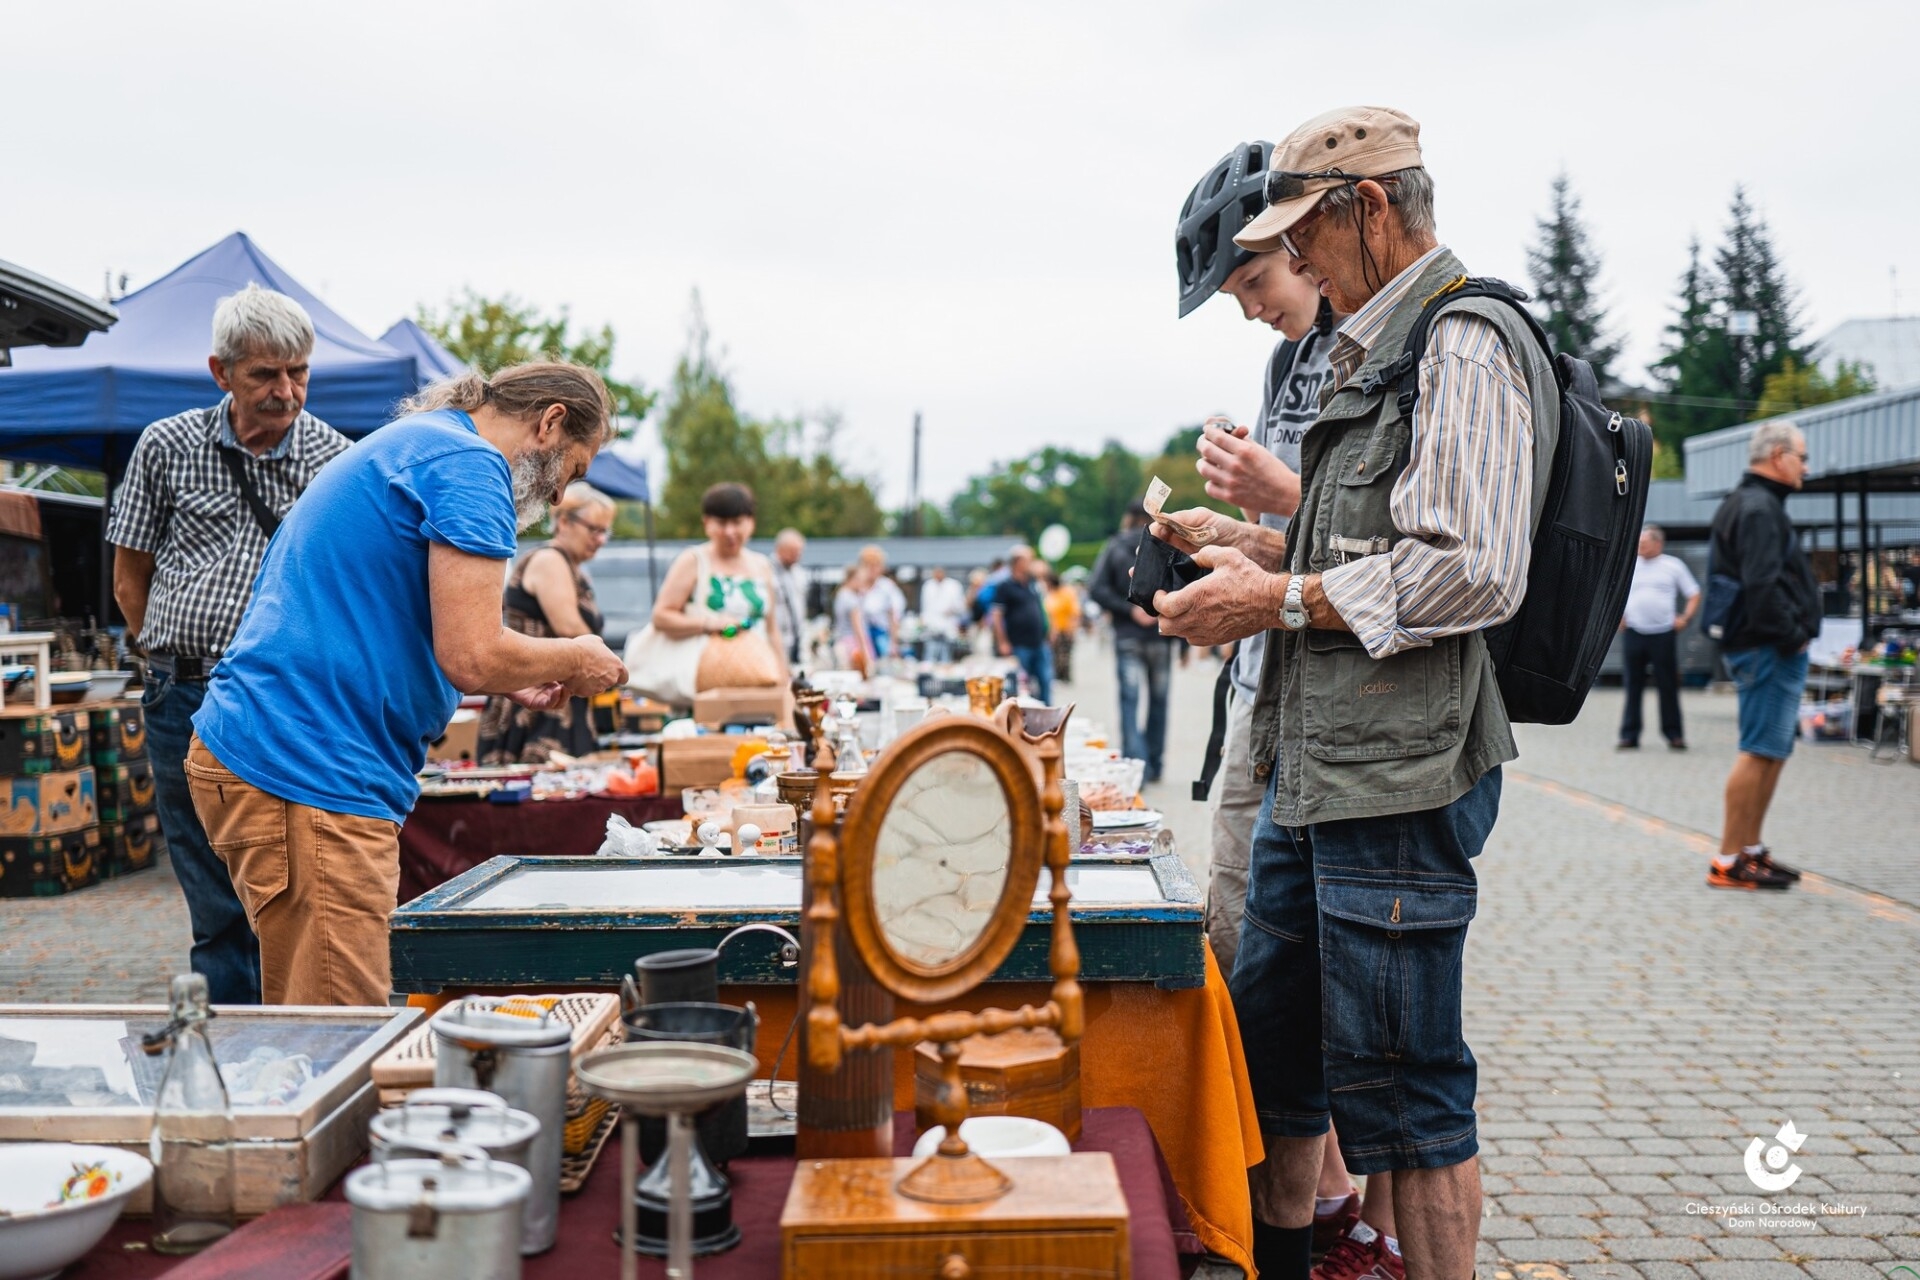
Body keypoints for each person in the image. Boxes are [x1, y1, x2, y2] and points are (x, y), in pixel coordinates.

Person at [1151, 106, 1555, 1280]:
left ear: (1366, 211)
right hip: (1312, 767)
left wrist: (1270, 603)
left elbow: (1469, 568)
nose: (1300, 269)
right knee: (1282, 1062)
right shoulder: (1365, 349)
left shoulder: (1462, 339)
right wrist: (1248, 546)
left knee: (1409, 1095)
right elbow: (1361, 550)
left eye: (1302, 240)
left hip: (1398, 775)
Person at [186, 362, 627, 1006]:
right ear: (550, 420)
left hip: (283, 755)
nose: (561, 496)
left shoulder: (429, 445)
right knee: (341, 1033)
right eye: (574, 470)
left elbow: (423, 627)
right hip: (311, 770)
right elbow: (473, 654)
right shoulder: (472, 468)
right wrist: (575, 656)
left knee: (313, 1013)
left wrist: (519, 673)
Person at [1176, 138, 1388, 1272]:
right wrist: (1225, 535)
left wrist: (1278, 496)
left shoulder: (1379, 348)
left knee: (1302, 977)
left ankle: (1320, 1220)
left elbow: (1389, 533)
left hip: (1338, 709)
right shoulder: (1285, 369)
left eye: (1253, 281)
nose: (1250, 308)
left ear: (1302, 242)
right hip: (1267, 689)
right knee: (1258, 960)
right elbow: (1296, 542)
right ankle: (1318, 1205)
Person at [107, 284, 350, 1006]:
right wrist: (164, 661)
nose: (286, 390)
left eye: (298, 371)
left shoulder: (336, 460)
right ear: (222, 372)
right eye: (265, 375)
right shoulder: (166, 444)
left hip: (288, 696)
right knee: (210, 886)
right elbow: (130, 575)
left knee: (287, 869)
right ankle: (239, 1053)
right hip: (183, 690)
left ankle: (300, 1031)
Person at [1708, 421, 1819, 890]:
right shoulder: (1758, 508)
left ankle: (1749, 850)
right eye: (1802, 457)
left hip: (1765, 645)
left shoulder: (1754, 503)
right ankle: (1729, 859)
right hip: (1767, 647)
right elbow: (1762, 583)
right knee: (1757, 751)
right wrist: (1793, 634)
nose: (1806, 468)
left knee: (1770, 752)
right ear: (1778, 455)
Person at [476, 483, 617, 763]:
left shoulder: (576, 571)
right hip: (534, 704)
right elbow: (570, 628)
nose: (600, 539)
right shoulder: (549, 560)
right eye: (594, 529)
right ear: (564, 522)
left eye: (605, 532)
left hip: (554, 700)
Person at [650, 483, 792, 688]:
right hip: (707, 681)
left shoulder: (762, 565)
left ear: (751, 522)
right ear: (706, 523)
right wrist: (708, 624)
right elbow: (661, 616)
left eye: (737, 522)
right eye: (722, 523)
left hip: (759, 676)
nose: (730, 531)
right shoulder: (693, 561)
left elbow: (772, 631)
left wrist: (783, 677)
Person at [1088, 505, 1176, 783]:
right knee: (1159, 702)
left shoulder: (1114, 547)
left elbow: (1096, 589)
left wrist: (1128, 610)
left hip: (1127, 636)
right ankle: (1155, 764)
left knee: (1130, 701)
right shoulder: (1166, 546)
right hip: (1161, 634)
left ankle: (1136, 765)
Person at [1616, 524, 1700, 751]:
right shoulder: (1629, 565)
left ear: (1658, 544)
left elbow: (1694, 593)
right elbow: (1615, 592)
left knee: (1668, 685)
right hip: (1634, 632)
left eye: (1644, 544)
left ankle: (1674, 734)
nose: (1639, 547)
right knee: (1633, 685)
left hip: (1663, 634)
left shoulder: (1673, 566)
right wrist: (1618, 618)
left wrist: (1685, 618)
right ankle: (1629, 735)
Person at [989, 544, 1053, 703]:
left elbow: (1042, 608)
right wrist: (1003, 642)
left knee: (1045, 681)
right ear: (1018, 562)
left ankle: (1046, 713)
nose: (1032, 562)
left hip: (1038, 641)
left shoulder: (1032, 583)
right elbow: (996, 616)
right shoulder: (1005, 586)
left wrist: (1049, 629)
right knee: (1023, 684)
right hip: (1019, 644)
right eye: (1029, 559)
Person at [770, 528, 810, 670]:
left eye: (799, 551)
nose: (797, 555)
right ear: (780, 549)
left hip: (796, 640)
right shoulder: (766, 570)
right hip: (775, 640)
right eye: (793, 551)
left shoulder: (799, 573)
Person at [858, 544, 906, 659]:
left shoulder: (887, 587)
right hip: (861, 637)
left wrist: (894, 643)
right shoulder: (857, 586)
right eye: (868, 565)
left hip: (882, 635)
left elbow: (894, 616)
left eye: (876, 565)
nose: (872, 569)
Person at [832, 561, 877, 672]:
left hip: (842, 642)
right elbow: (858, 627)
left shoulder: (841, 594)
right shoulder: (851, 599)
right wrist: (865, 651)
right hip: (853, 644)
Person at [918, 564, 968, 663]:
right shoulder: (928, 586)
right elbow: (925, 606)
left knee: (946, 656)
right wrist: (923, 619)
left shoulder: (953, 585)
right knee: (930, 655)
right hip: (932, 626)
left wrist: (951, 610)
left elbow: (960, 606)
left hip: (947, 625)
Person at [1043, 566, 1082, 682]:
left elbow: (1075, 613)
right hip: (1055, 630)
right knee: (1056, 655)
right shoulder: (1051, 594)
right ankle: (1058, 676)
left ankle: (1065, 676)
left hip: (1066, 629)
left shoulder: (1067, 593)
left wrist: (1073, 629)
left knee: (1065, 655)